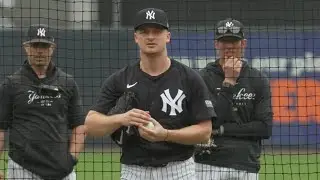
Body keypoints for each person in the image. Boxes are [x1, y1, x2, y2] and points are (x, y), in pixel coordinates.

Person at [85, 8, 216, 180]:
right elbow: (91, 124)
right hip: (134, 170)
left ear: (168, 36)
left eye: (157, 31)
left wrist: (166, 135)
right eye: (144, 32)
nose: (151, 37)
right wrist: (121, 118)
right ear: (136, 38)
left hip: (178, 169)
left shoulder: (189, 78)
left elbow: (205, 132)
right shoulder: (120, 79)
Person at [0, 24, 86, 180]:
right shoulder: (11, 84)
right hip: (22, 168)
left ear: (52, 48)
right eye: (35, 45)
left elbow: (79, 125)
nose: (40, 50)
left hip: (62, 170)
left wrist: (72, 158)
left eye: (45, 46)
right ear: (26, 47)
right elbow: (0, 128)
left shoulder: (67, 82)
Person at [194, 18, 273, 180]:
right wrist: (228, 82)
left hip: (245, 165)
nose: (229, 46)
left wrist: (222, 130)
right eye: (224, 41)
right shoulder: (203, 77)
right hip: (208, 164)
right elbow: (212, 121)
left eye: (234, 41)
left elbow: (264, 128)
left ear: (243, 43)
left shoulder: (257, 79)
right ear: (216, 44)